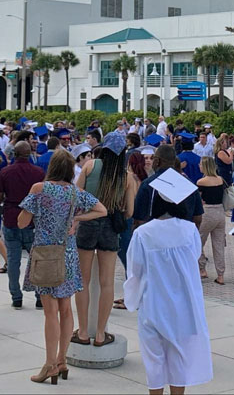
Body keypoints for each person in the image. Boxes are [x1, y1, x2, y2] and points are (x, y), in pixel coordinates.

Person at [18, 149, 107, 385]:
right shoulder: (75, 193)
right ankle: (62, 360)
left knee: (50, 312)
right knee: (66, 309)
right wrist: (76, 219)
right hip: (67, 253)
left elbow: (22, 221)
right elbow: (102, 210)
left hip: (46, 254)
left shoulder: (39, 189)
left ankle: (49, 365)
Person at [124, 180, 213, 395]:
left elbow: (135, 271)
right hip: (184, 304)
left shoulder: (143, 233)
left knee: (154, 360)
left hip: (154, 302)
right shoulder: (190, 230)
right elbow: (193, 258)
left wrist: (132, 298)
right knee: (179, 358)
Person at [73, 130, 135, 347]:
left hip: (88, 225)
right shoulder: (127, 176)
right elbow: (129, 212)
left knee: (83, 281)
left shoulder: (90, 166)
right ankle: (100, 334)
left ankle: (82, 331)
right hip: (111, 227)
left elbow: (76, 194)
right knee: (107, 283)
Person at [0, 141, 46, 309]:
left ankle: (16, 297)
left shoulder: (6, 172)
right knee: (36, 260)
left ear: (14, 153)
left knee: (13, 260)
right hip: (32, 221)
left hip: (11, 218)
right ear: (30, 154)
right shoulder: (38, 172)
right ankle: (39, 296)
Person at [196, 156, 227, 285]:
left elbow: (198, 199)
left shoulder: (201, 182)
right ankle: (220, 275)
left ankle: (202, 269)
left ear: (205, 166)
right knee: (219, 245)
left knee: (198, 242)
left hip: (207, 212)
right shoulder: (220, 179)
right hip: (220, 212)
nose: (199, 166)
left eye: (200, 164)